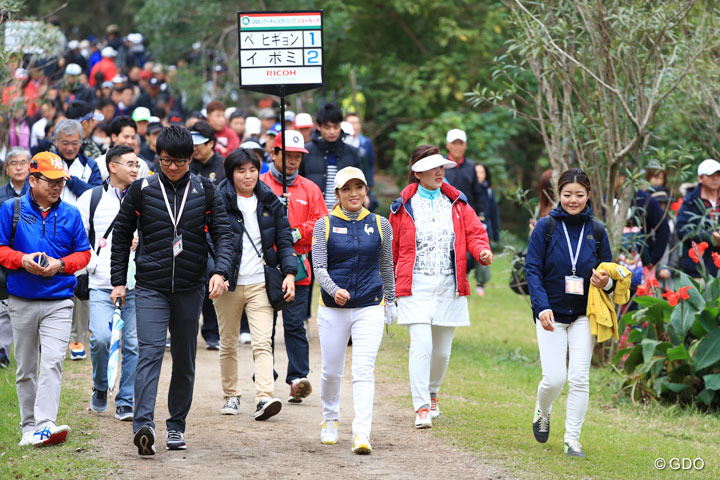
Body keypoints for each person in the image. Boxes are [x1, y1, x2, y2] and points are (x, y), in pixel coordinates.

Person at [110, 126, 234, 455]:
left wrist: (221, 271)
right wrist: (119, 280)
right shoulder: (142, 189)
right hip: (150, 285)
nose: (173, 167)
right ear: (157, 157)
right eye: (166, 161)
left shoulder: (206, 190)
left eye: (180, 161)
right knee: (149, 352)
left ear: (191, 158)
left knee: (184, 358)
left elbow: (223, 233)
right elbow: (121, 236)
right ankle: (144, 425)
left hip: (190, 287)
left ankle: (176, 425)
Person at [389, 146, 492, 430]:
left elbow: (475, 233)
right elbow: (392, 248)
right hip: (415, 284)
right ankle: (421, 406)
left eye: (441, 167)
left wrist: (482, 250)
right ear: (418, 172)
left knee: (442, 352)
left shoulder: (457, 202)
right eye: (432, 167)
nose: (439, 172)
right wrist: (388, 287)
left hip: (449, 283)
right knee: (421, 346)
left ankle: (433, 392)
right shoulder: (402, 206)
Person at [0, 151, 92, 447]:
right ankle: (29, 427)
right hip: (21, 300)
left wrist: (61, 265)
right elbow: (0, 248)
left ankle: (45, 424)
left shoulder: (71, 213)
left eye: (60, 182)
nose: (56, 187)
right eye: (50, 181)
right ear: (32, 180)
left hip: (59, 301)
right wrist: (22, 259)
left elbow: (84, 253)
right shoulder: (10, 209)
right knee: (26, 367)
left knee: (52, 361)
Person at [524, 168, 613, 459]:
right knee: (554, 379)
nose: (573, 200)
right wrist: (541, 307)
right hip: (550, 313)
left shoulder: (597, 231)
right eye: (567, 194)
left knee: (579, 378)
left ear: (588, 196)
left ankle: (572, 439)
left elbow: (609, 273)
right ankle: (544, 409)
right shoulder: (545, 227)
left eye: (579, 195)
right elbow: (532, 270)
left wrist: (606, 282)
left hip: (584, 314)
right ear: (558, 195)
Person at [312, 166, 395, 455]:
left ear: (366, 191)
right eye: (347, 189)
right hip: (333, 308)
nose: (353, 194)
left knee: (363, 371)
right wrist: (334, 289)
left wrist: (392, 301)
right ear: (337, 194)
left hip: (370, 305)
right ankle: (330, 420)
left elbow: (386, 266)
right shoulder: (323, 225)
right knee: (331, 371)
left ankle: (362, 432)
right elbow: (319, 268)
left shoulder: (381, 224)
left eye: (358, 187)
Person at [212, 148, 296, 418]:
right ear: (231, 173)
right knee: (228, 343)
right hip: (229, 284)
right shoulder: (217, 200)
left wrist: (290, 273)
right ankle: (231, 395)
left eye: (252, 170)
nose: (248, 176)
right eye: (241, 170)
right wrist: (217, 274)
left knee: (263, 342)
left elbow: (284, 239)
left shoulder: (270, 200)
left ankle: (264, 397)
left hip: (262, 282)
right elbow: (209, 242)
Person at [260, 130, 328, 403]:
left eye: (298, 157)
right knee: (264, 326)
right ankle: (265, 377)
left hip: (298, 268)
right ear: (274, 153)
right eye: (287, 155)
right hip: (264, 266)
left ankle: (297, 378)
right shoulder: (260, 184)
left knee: (295, 324)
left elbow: (322, 223)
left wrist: (297, 232)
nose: (292, 161)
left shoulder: (310, 189)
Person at [77, 145, 140, 422]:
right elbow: (79, 240)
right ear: (113, 167)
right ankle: (101, 386)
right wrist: (91, 267)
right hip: (101, 283)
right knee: (101, 340)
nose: (135, 169)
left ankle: (125, 399)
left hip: (137, 285)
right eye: (130, 164)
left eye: (137, 164)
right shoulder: (91, 199)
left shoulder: (146, 197)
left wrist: (142, 242)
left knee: (133, 344)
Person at [52, 119, 103, 362]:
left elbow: (94, 192)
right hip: (51, 227)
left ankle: (77, 337)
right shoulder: (48, 161)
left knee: (81, 284)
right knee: (54, 278)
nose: (70, 147)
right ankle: (56, 336)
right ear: (55, 142)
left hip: (82, 229)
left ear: (81, 142)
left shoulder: (89, 164)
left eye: (74, 143)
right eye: (65, 143)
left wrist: (68, 178)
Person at [188, 121, 225, 350]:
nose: (195, 148)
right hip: (190, 230)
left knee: (212, 277)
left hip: (215, 231)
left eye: (200, 144)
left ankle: (212, 332)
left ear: (211, 143)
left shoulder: (223, 166)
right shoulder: (186, 165)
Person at [299, 103, 362, 212]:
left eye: (336, 127)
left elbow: (361, 184)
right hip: (313, 214)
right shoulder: (306, 152)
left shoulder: (352, 152)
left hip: (345, 215)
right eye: (327, 127)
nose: (332, 132)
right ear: (319, 126)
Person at [0, 147, 30, 369]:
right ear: (6, 168)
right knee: (3, 306)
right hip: (5, 255)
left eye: (23, 162)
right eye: (14, 163)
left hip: (32, 254)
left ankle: (27, 349)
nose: (19, 167)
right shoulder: (1, 195)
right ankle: (3, 350)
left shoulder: (37, 191)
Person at [676, 159, 720, 277]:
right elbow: (682, 230)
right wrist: (710, 237)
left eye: (718, 175)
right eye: (711, 175)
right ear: (700, 178)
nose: (715, 179)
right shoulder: (690, 201)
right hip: (698, 269)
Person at [473, 163, 500, 296]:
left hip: (485, 228)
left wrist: (496, 234)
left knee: (483, 255)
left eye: (481, 172)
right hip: (470, 228)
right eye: (476, 172)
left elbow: (494, 213)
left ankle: (481, 283)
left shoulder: (488, 191)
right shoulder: (468, 190)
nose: (479, 175)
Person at [443, 129, 483, 214]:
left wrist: (480, 216)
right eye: (454, 143)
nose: (457, 147)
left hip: (468, 214)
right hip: (447, 214)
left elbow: (477, 193)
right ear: (447, 145)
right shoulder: (441, 166)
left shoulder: (471, 166)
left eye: (460, 143)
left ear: (465, 146)